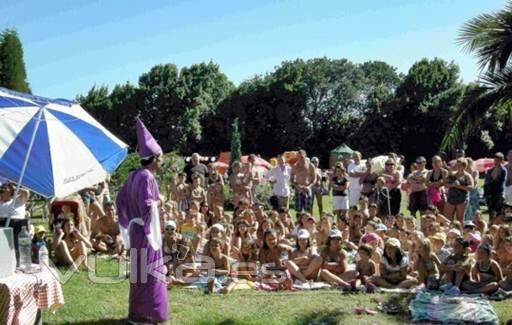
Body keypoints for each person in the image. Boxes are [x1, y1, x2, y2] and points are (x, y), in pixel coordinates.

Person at [115, 118, 168, 323]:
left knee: (139, 275)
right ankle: (149, 314)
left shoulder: (132, 176)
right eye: (161, 157)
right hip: (146, 233)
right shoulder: (147, 177)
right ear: (154, 158)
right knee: (151, 274)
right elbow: (148, 205)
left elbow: (120, 200)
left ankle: (137, 314)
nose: (162, 160)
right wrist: (160, 202)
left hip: (136, 229)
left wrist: (129, 220)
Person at [444, 158, 474, 224]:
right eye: (457, 165)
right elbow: (445, 184)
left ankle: (460, 232)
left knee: (460, 218)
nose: (457, 166)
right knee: (448, 218)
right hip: (451, 199)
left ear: (464, 166)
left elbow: (471, 187)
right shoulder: (452, 174)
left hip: (462, 200)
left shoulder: (467, 176)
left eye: (459, 165)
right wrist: (452, 185)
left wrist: (459, 186)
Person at [484, 152, 508, 224]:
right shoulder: (490, 170)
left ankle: (497, 226)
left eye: (498, 160)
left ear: (501, 160)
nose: (496, 162)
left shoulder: (503, 170)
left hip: (499, 194)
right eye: (495, 160)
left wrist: (497, 169)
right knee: (491, 212)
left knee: (499, 212)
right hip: (490, 194)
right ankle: (490, 226)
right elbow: (487, 182)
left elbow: (497, 180)